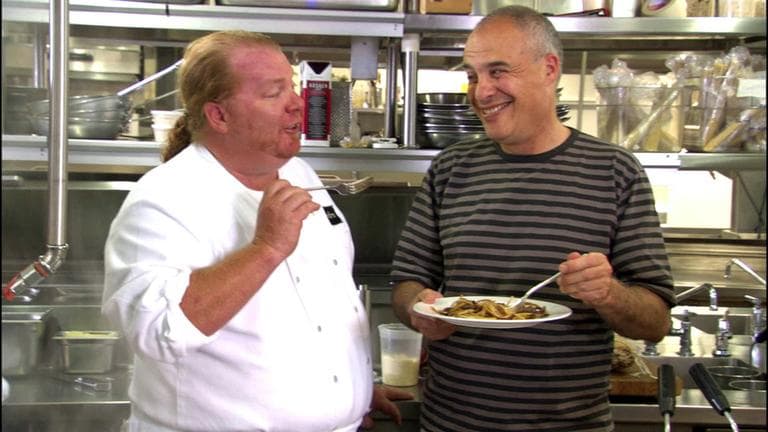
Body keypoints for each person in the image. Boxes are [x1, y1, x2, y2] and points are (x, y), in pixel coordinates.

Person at [102, 30, 410, 431]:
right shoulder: (164, 199)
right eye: (272, 93)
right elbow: (156, 332)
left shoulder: (296, 173)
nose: (297, 104)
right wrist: (265, 248)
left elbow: (320, 301)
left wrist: (351, 391)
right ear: (219, 116)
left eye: (293, 88)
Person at [390, 6, 675, 432]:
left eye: (498, 72)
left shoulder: (615, 171)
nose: (481, 92)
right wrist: (420, 310)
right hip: (453, 423)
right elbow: (406, 284)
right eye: (472, 75)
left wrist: (608, 293)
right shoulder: (452, 168)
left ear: (549, 70)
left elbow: (655, 322)